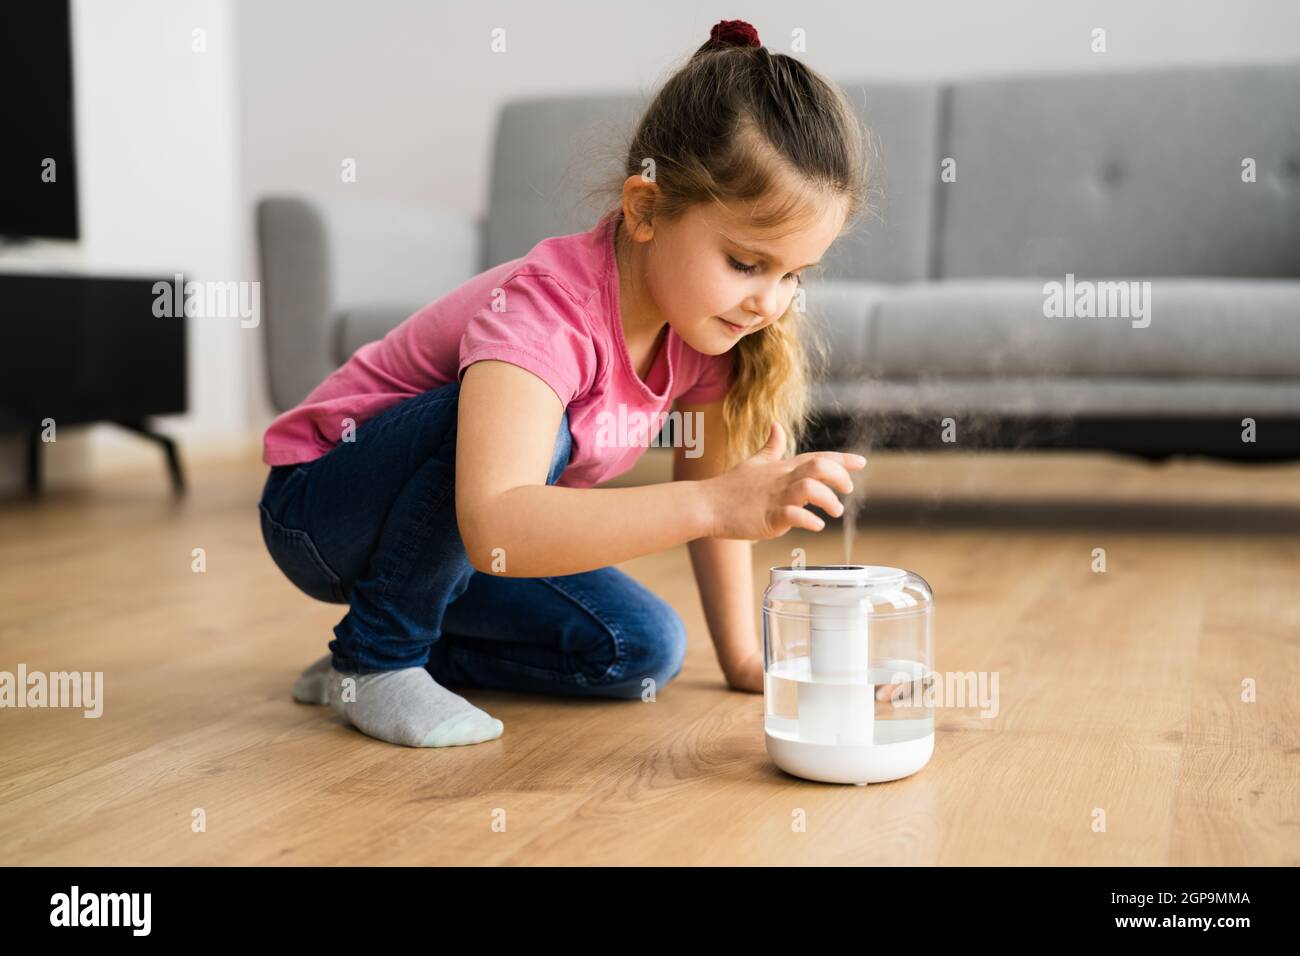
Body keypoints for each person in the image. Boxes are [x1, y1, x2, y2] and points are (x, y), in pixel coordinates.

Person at [258, 18, 872, 748]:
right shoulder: (546, 313)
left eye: (793, 274)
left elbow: (718, 509)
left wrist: (743, 657)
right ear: (646, 210)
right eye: (746, 262)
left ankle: (371, 655)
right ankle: (380, 659)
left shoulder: (711, 332)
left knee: (640, 648)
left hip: (445, 534)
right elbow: (499, 525)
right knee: (535, 427)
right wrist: (711, 503)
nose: (769, 302)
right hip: (321, 509)